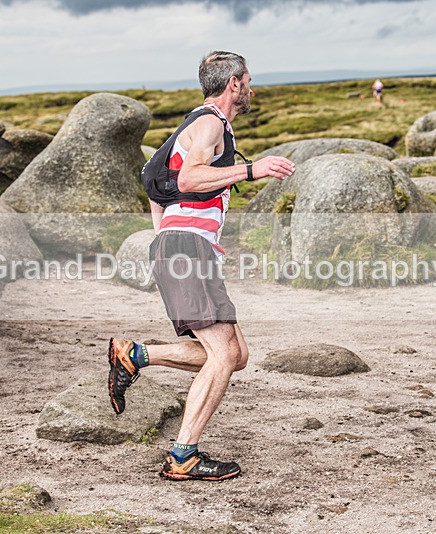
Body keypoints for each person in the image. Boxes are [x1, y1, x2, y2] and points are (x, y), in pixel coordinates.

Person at [108, 51, 295, 481]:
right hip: (186, 249)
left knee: (237, 355)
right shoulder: (210, 122)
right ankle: (183, 455)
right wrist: (252, 170)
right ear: (234, 84)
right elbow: (189, 180)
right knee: (225, 353)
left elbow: (156, 185)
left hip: (187, 247)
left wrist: (172, 237)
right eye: (248, 80)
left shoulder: (194, 124)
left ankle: (134, 355)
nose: (251, 88)